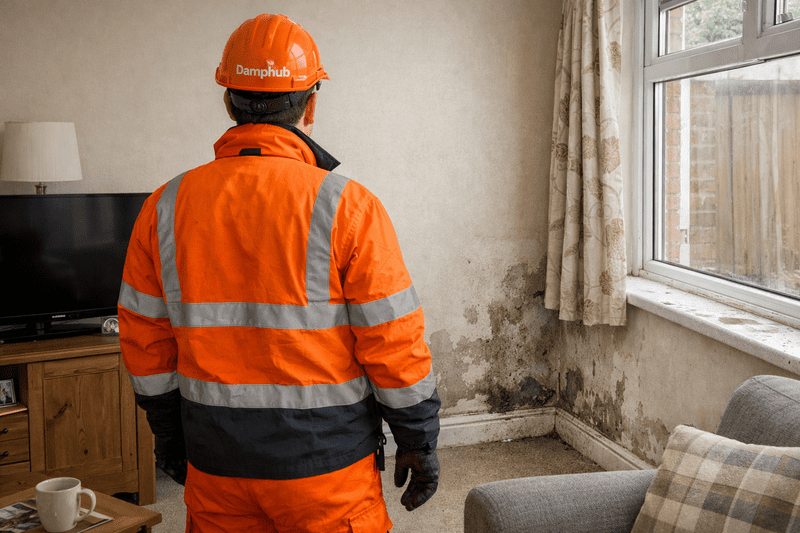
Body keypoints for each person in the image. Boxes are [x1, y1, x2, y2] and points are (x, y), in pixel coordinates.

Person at [118, 13, 440, 533]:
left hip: (217, 464)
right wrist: (418, 441)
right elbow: (394, 342)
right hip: (327, 473)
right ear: (311, 103)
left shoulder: (163, 207)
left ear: (228, 102)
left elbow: (145, 346)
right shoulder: (348, 208)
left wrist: (170, 439)